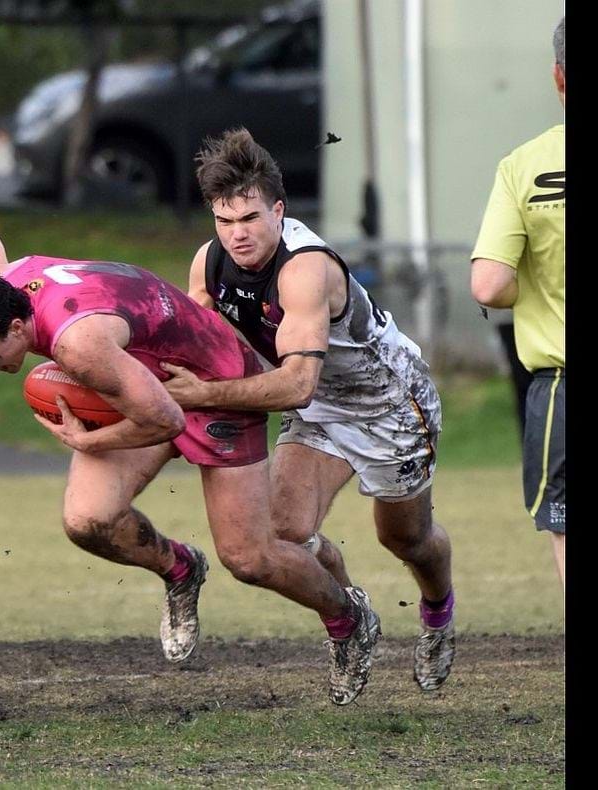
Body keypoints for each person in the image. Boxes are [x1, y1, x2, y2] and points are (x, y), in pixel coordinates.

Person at [0, 216, 396, 706]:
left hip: (213, 384)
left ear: (19, 326)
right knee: (88, 519)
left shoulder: (77, 343)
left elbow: (166, 421)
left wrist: (91, 442)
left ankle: (348, 618)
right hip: (142, 378)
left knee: (249, 558)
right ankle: (180, 569)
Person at [161, 127, 457, 696]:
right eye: (224, 221)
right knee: (283, 530)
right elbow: (190, 344)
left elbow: (295, 383)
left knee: (406, 540)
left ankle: (438, 612)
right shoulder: (210, 262)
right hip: (322, 406)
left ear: (278, 208)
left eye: (249, 218)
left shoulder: (305, 269)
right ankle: (353, 614)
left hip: (387, 404)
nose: (237, 234)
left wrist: (199, 398)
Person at [471, 16, 565, 589]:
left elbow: (489, 285)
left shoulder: (523, 165)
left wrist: (531, 289)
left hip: (560, 386)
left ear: (559, 77)